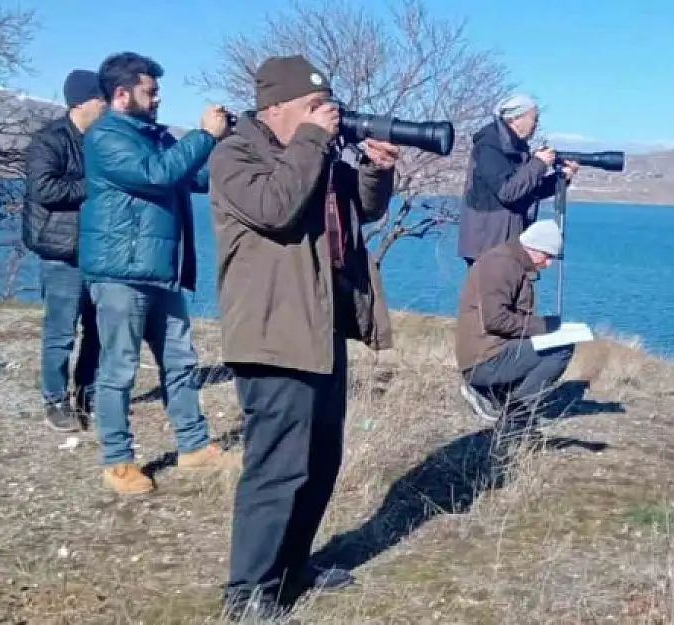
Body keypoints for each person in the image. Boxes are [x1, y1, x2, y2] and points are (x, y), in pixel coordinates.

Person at [207, 54, 398, 620]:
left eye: (328, 104)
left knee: (320, 459)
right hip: (271, 332)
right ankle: (247, 593)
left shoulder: (314, 151)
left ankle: (290, 569)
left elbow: (363, 208)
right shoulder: (234, 155)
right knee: (277, 467)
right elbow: (277, 208)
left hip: (321, 326)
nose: (327, 114)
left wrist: (375, 170)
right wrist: (315, 138)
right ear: (274, 108)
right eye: (313, 106)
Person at [78, 51, 236, 496]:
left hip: (158, 270)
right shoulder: (106, 136)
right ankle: (117, 460)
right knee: (119, 368)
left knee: (180, 360)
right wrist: (203, 135)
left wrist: (225, 142)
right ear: (122, 94)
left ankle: (193, 446)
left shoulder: (154, 135)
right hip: (120, 273)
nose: (159, 97)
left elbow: (197, 177)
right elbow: (157, 174)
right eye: (151, 90)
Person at [455, 219, 576, 478]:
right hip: (484, 358)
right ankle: (514, 419)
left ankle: (502, 402)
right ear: (533, 248)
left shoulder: (509, 262)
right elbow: (495, 320)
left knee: (555, 344)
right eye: (547, 256)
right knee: (561, 349)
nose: (549, 263)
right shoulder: (501, 265)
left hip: (491, 350)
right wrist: (544, 326)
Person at [23, 69, 107, 432]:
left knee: (97, 328)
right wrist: (96, 186)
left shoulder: (101, 139)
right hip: (61, 251)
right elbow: (45, 189)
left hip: (97, 248)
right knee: (61, 331)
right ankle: (54, 400)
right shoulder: (49, 141)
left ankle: (87, 394)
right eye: (102, 99)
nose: (107, 106)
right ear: (84, 101)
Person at [456, 93, 579, 267]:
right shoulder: (489, 146)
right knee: (492, 293)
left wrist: (561, 178)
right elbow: (508, 191)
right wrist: (538, 163)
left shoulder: (516, 147)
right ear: (515, 118)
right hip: (489, 246)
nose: (536, 125)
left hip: (507, 242)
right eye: (534, 119)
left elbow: (528, 191)